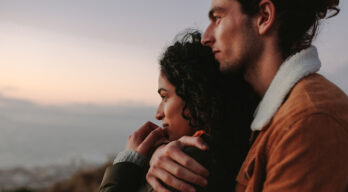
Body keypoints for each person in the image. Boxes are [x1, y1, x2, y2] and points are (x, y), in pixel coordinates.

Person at [146, 0, 348, 191]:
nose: (206, 36)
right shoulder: (270, 113)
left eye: (218, 18)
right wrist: (162, 156)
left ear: (264, 17)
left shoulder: (309, 121)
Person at [99, 31, 258, 192]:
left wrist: (128, 163)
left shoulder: (182, 166)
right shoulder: (234, 147)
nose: (158, 113)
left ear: (196, 97)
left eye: (165, 97)